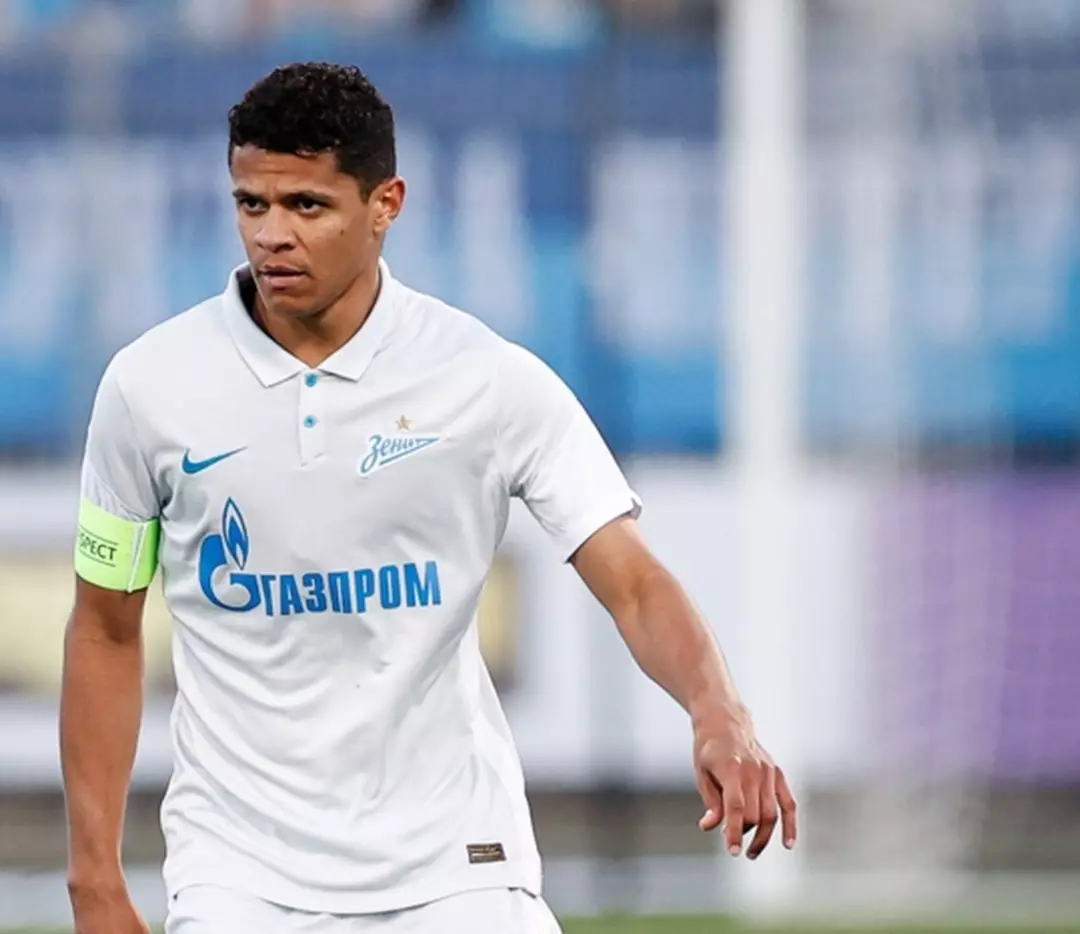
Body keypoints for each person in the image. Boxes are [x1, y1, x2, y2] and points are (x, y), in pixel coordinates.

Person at [59, 61, 797, 934]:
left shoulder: (483, 379)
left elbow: (633, 582)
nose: (272, 236)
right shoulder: (148, 388)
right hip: (239, 875)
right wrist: (94, 879)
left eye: (307, 206)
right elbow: (105, 627)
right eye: (251, 203)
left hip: (457, 868)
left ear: (386, 205)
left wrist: (718, 710)